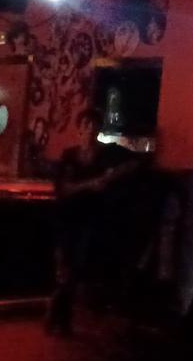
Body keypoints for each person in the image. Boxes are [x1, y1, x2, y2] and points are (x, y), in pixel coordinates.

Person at [45, 108, 140, 336]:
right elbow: (64, 189)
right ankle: (59, 315)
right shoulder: (70, 156)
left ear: (98, 130)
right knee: (67, 264)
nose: (89, 131)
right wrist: (93, 183)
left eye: (93, 126)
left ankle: (59, 314)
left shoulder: (107, 154)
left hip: (91, 218)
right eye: (85, 126)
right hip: (69, 216)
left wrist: (113, 175)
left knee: (77, 264)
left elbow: (136, 162)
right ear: (79, 129)